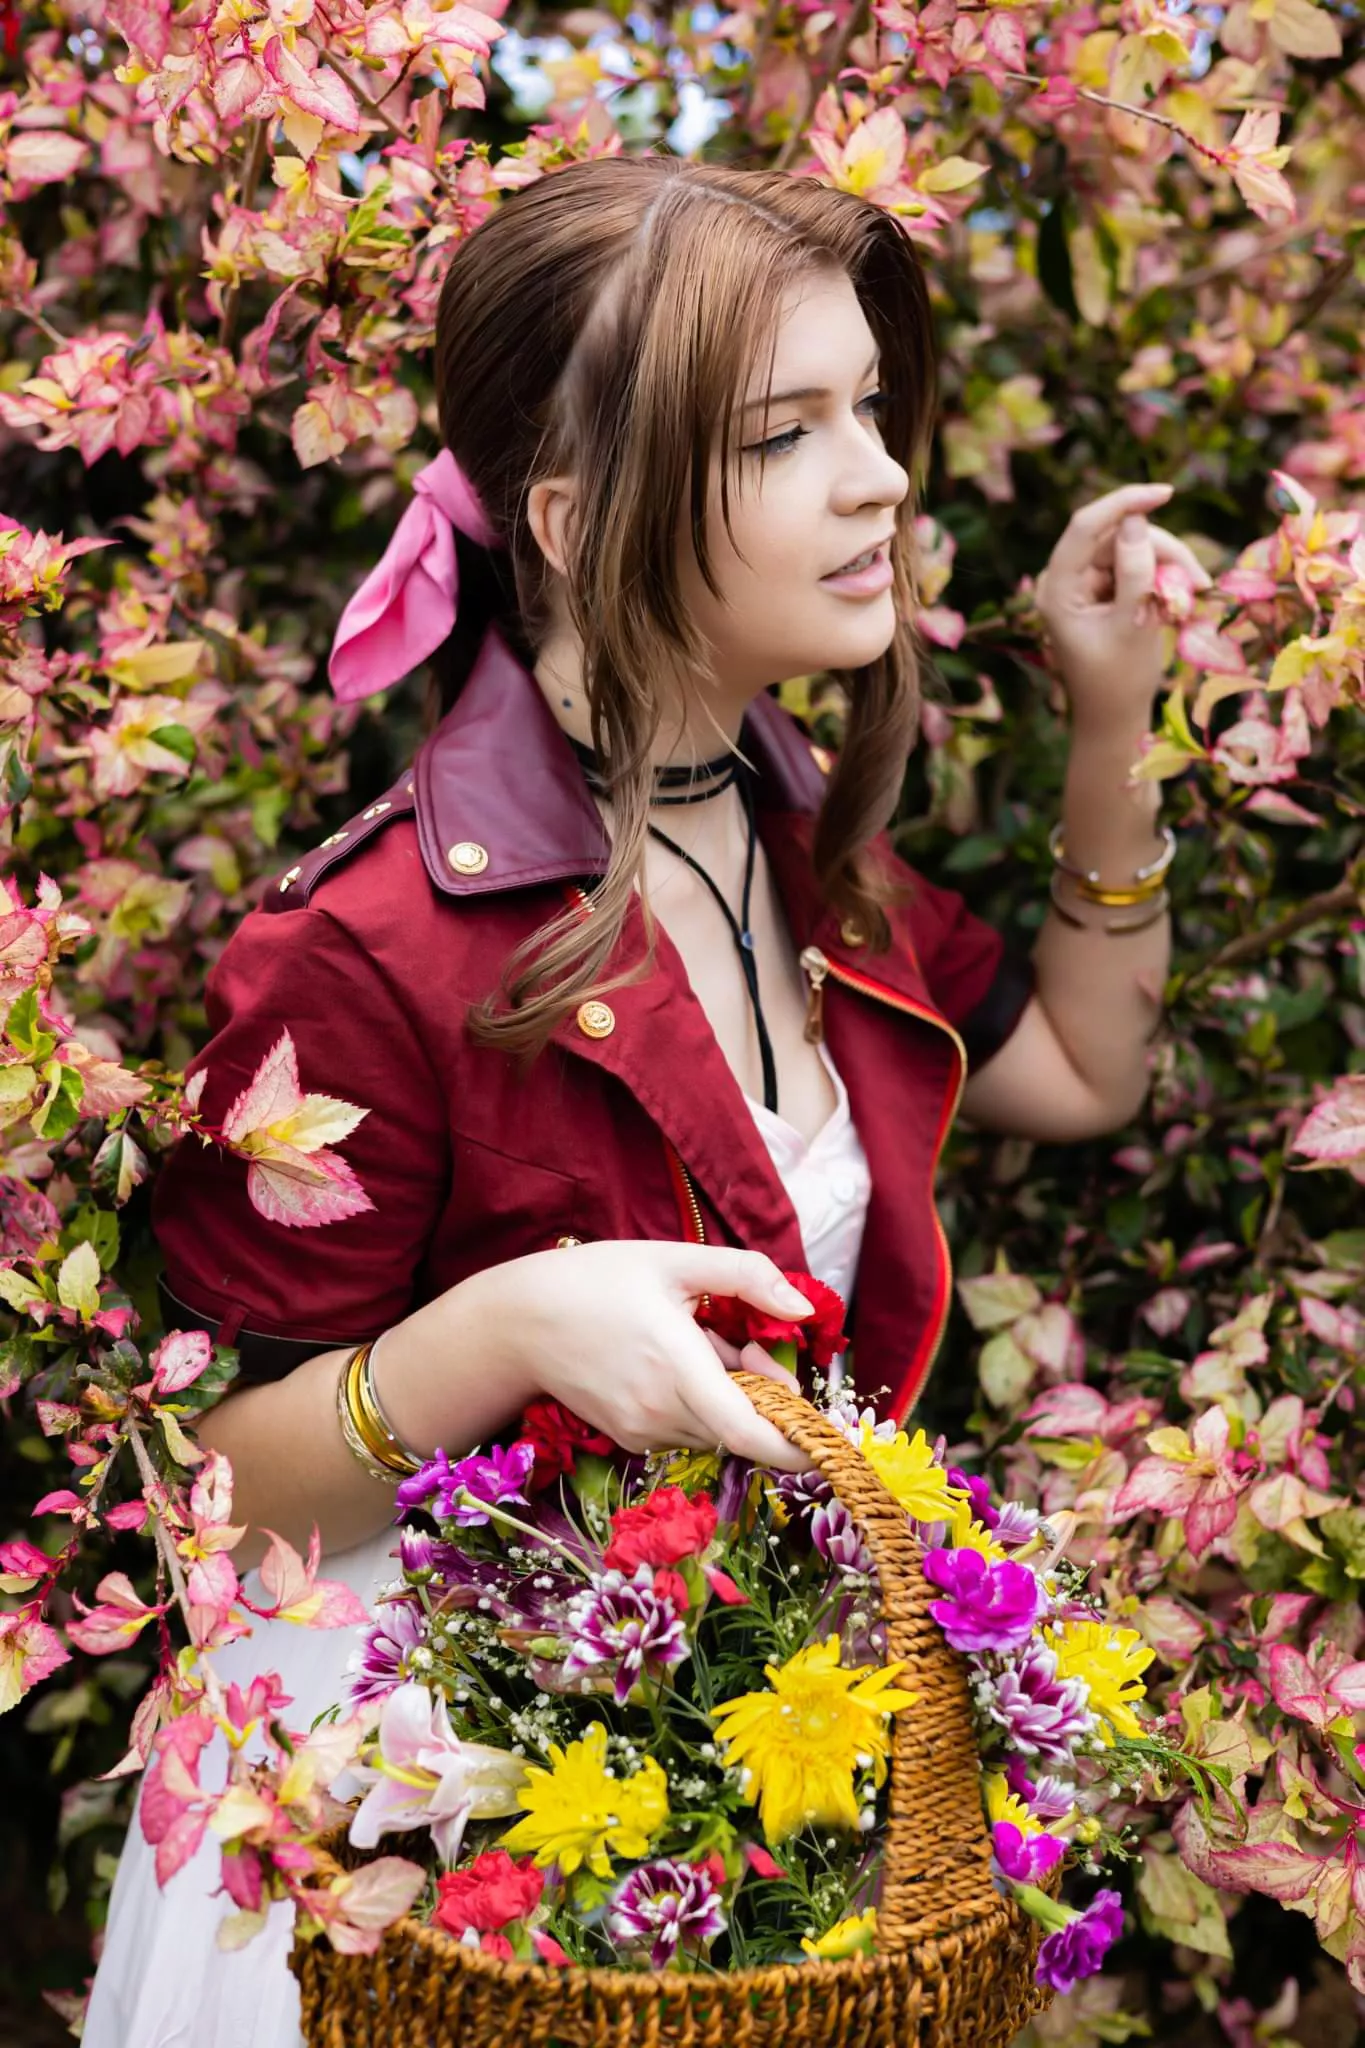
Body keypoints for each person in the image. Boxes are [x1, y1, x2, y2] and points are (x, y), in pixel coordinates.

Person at [84, 155, 1203, 2046]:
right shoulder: (365, 952)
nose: (882, 476)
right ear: (577, 514)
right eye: (788, 431)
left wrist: (1114, 730)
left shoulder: (796, 840)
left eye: (870, 408)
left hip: (712, 1799)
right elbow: (191, 1492)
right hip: (416, 1854)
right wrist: (507, 1327)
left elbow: (1087, 1073)